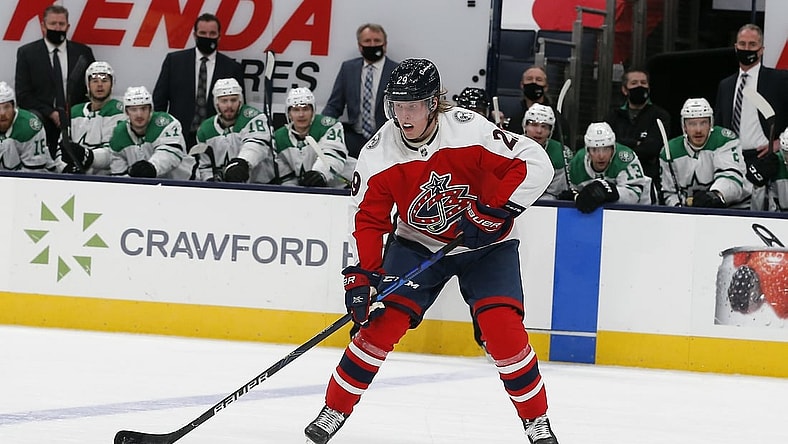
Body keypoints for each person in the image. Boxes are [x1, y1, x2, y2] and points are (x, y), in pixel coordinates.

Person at [303, 58, 559, 444]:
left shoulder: (468, 130)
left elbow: (534, 162)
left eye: (414, 106)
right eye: (397, 105)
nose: (404, 116)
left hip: (486, 243)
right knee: (378, 328)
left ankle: (536, 421)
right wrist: (364, 274)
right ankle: (334, 410)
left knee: (503, 331)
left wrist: (495, 209)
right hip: (418, 245)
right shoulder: (378, 154)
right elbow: (369, 218)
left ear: (434, 104)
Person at [153, 13, 244, 149]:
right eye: (203, 33)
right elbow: (159, 100)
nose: (207, 37)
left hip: (216, 139)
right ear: (195, 35)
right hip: (178, 137)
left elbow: (240, 106)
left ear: (219, 37)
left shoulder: (232, 68)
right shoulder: (174, 61)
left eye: (212, 33)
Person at [14, 4, 95, 158]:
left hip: (76, 116)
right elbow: (23, 95)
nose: (57, 28)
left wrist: (74, 113)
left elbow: (90, 90)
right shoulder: (27, 53)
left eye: (61, 24)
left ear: (68, 26)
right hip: (42, 115)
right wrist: (51, 113)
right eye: (53, 24)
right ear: (43, 26)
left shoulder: (83, 53)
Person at [714, 24, 788, 167]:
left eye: (752, 44)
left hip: (765, 158)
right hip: (731, 159)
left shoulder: (778, 80)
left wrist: (780, 142)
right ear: (736, 47)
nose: (746, 49)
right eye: (742, 44)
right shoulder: (726, 85)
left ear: (761, 50)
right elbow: (719, 124)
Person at [322, 23, 398, 158]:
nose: (372, 45)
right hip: (355, 137)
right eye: (367, 41)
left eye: (377, 41)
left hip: (388, 138)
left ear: (385, 45)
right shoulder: (348, 69)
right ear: (359, 46)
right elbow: (334, 105)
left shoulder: (397, 71)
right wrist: (321, 125)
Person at [660, 98, 751, 209]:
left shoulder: (724, 140)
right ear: (684, 126)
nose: (698, 130)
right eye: (692, 124)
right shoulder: (669, 151)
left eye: (703, 123)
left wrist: (716, 195)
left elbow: (731, 177)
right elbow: (669, 193)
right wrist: (680, 210)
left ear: (710, 124)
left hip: (733, 209)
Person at [605, 68, 671, 203]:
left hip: (650, 184)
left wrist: (623, 144)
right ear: (625, 89)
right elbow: (607, 147)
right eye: (634, 83)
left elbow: (653, 148)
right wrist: (637, 143)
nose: (640, 86)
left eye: (643, 83)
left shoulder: (660, 116)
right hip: (617, 183)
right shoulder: (613, 116)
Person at [194, 78, 276, 183]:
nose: (229, 105)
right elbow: (205, 166)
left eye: (233, 100)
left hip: (259, 186)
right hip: (223, 190)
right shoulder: (205, 129)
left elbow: (255, 145)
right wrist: (210, 181)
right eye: (224, 100)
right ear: (216, 103)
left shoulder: (253, 117)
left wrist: (242, 163)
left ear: (240, 101)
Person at [563, 122, 652, 213]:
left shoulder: (625, 158)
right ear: (588, 151)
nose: (601, 156)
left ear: (613, 148)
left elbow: (634, 195)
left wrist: (611, 192)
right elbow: (572, 191)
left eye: (606, 149)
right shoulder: (577, 163)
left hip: (639, 213)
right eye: (595, 150)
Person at [110, 86, 195, 180]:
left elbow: (171, 154)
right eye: (133, 109)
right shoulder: (119, 133)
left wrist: (152, 167)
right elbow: (119, 174)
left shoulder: (166, 123)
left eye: (143, 108)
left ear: (150, 109)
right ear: (126, 112)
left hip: (183, 184)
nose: (139, 114)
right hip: (144, 188)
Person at [272, 87, 349, 188]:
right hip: (311, 193)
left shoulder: (328, 126)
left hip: (344, 187)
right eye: (295, 110)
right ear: (289, 114)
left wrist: (319, 173)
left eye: (305, 109)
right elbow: (287, 178)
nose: (301, 114)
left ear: (313, 111)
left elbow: (332, 155)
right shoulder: (279, 137)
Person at [68, 61, 126, 175]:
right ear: (88, 84)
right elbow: (62, 147)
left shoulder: (120, 111)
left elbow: (113, 153)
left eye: (104, 80)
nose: (100, 85)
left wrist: (87, 157)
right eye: (95, 81)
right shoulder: (75, 112)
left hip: (107, 179)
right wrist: (65, 167)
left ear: (112, 84)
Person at [503, 66, 570, 148]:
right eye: (529, 79)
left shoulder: (559, 121)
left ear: (546, 87)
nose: (534, 82)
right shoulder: (515, 119)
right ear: (522, 85)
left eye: (539, 80)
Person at [0, 81, 60, 173]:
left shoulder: (30, 126)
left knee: (8, 144)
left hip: (38, 179)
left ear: (14, 107)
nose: (2, 114)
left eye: (7, 107)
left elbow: (34, 174)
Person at [522, 104, 571, 200]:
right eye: (534, 125)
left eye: (544, 126)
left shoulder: (561, 152)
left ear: (551, 131)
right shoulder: (511, 146)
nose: (539, 131)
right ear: (525, 126)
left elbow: (556, 193)